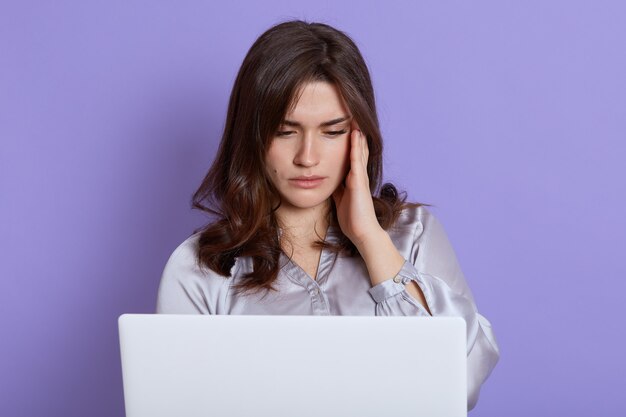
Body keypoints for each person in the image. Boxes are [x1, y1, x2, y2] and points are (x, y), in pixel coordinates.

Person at [156, 20, 499, 410]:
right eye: (285, 132)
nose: (307, 157)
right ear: (252, 136)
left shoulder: (414, 235)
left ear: (361, 137)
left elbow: (461, 382)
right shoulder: (201, 268)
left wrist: (370, 237)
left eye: (332, 132)